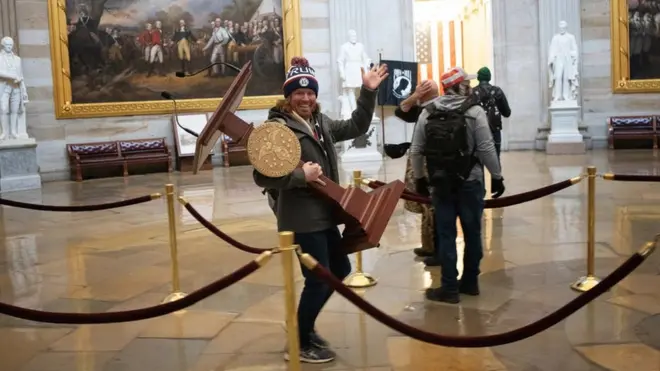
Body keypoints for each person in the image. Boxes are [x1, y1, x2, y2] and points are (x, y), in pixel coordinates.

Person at [253, 57, 388, 363]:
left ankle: (305, 326)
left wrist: (367, 92)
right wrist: (303, 176)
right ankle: (299, 340)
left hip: (326, 213)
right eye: (298, 93)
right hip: (301, 217)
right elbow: (262, 176)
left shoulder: (320, 122)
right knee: (319, 277)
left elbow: (357, 125)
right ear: (289, 96)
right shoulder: (277, 129)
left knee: (339, 270)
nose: (305, 98)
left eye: (310, 92)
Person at [409, 66, 505, 304]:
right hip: (470, 182)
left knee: (446, 234)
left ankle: (449, 287)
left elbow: (417, 150)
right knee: (473, 233)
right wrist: (497, 176)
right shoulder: (475, 111)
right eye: (467, 83)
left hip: (441, 183)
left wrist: (420, 178)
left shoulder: (427, 112)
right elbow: (486, 148)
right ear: (461, 86)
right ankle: (471, 282)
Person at [389, 80, 441, 263]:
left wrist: (416, 96)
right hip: (424, 164)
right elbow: (400, 110)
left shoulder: (436, 109)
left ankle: (437, 250)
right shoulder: (422, 108)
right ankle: (428, 246)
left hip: (432, 165)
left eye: (420, 91)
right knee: (426, 206)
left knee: (433, 207)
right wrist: (415, 96)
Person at [471, 67, 510, 160]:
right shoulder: (497, 91)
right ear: (489, 77)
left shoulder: (472, 92)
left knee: (477, 162)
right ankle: (496, 174)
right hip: (494, 130)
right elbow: (507, 113)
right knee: (496, 161)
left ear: (478, 78)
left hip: (478, 131)